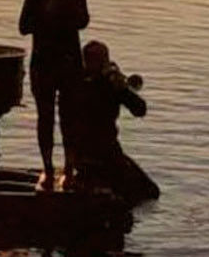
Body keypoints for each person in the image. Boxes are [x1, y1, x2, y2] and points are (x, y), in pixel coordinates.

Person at [18, 0, 89, 191]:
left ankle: (69, 168)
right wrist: (45, 11)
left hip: (69, 64)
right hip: (44, 64)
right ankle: (47, 168)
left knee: (70, 117)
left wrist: (64, 0)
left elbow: (83, 21)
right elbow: (23, 26)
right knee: (45, 117)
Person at [63, 41, 159, 202]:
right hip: (107, 154)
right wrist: (121, 88)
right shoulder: (109, 86)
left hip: (81, 155)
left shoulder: (74, 85)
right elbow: (140, 109)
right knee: (151, 192)